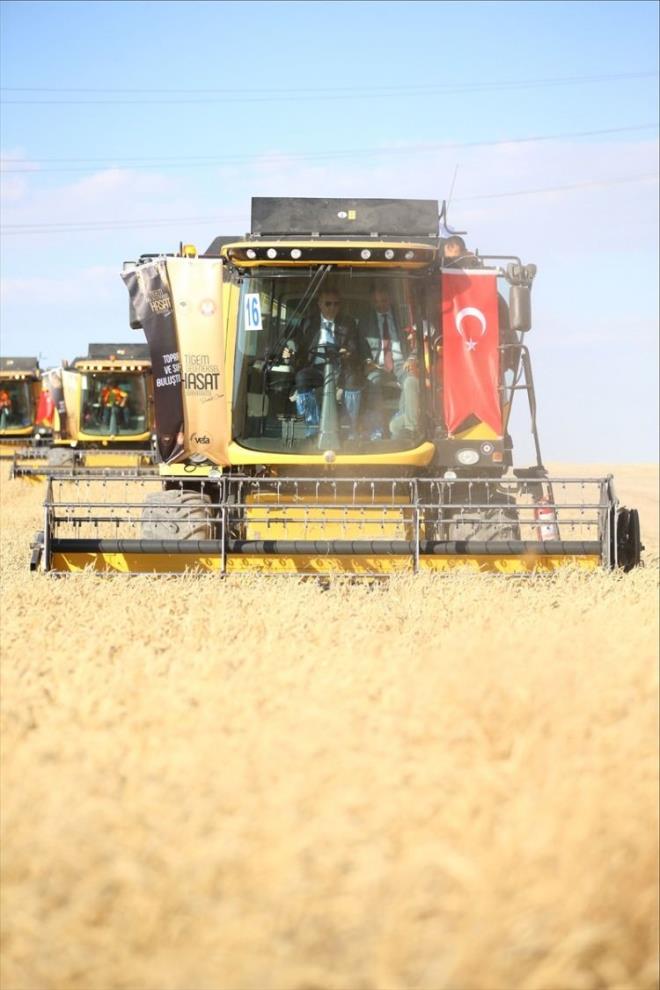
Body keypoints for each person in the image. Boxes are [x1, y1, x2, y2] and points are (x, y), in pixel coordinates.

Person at [284, 287, 363, 438]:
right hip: (316, 367)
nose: (332, 307)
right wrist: (291, 350)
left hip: (341, 367)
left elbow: (353, 346)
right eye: (328, 304)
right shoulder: (308, 323)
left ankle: (350, 428)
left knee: (354, 379)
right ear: (319, 304)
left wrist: (347, 352)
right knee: (302, 378)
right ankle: (312, 427)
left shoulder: (349, 323)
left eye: (336, 304)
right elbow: (297, 342)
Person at [358, 283, 419, 441]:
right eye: (376, 302)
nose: (380, 305)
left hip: (401, 362)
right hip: (378, 365)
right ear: (372, 302)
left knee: (411, 381)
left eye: (383, 301)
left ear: (390, 299)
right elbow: (360, 346)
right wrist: (367, 361)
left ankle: (409, 428)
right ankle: (377, 429)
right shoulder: (365, 321)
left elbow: (419, 341)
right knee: (372, 381)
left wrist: (412, 358)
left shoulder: (404, 317)